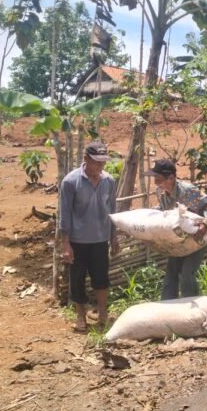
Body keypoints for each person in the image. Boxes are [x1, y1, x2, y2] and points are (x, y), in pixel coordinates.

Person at [59, 141, 120, 332]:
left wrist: (113, 237)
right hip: (78, 241)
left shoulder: (108, 181)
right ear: (86, 159)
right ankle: (80, 317)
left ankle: (102, 314)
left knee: (101, 279)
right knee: (77, 280)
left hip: (100, 239)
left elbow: (112, 210)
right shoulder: (70, 182)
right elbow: (65, 214)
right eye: (96, 162)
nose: (100, 167)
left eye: (103, 163)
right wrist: (66, 244)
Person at [146, 158, 207, 300]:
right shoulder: (161, 192)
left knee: (187, 273)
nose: (156, 183)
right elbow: (163, 209)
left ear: (171, 178)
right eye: (155, 178)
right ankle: (168, 305)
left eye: (158, 179)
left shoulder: (187, 191)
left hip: (196, 237)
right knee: (171, 271)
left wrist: (205, 224)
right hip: (179, 238)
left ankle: (191, 309)